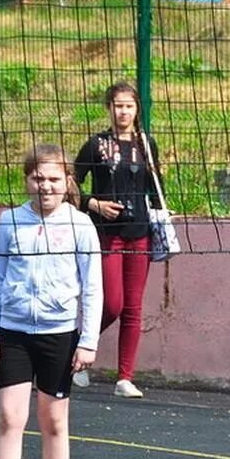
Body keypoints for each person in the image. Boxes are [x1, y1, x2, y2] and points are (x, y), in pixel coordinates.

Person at [0, 143, 101, 459]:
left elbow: (93, 286)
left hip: (59, 333)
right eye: (38, 178)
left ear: (68, 182)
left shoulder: (81, 225)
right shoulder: (10, 221)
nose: (45, 186)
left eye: (53, 179)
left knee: (54, 421)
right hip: (12, 332)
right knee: (11, 417)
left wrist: (88, 339)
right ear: (28, 180)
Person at [73, 79, 165, 399]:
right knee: (112, 304)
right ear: (108, 109)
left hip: (140, 234)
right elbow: (71, 185)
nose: (123, 111)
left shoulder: (146, 144)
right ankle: (77, 351)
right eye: (117, 105)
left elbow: (156, 187)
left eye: (129, 105)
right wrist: (94, 204)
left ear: (137, 109)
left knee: (134, 308)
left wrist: (163, 215)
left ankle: (125, 377)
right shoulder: (96, 145)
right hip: (107, 235)